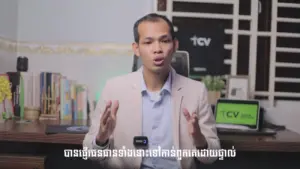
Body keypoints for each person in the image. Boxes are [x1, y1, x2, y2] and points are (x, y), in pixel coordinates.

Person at [83, 13, 221, 169]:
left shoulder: (196, 91)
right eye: (148, 42)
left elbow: (212, 156)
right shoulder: (114, 88)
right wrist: (102, 138)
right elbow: (90, 153)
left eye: (164, 41)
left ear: (175, 45)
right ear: (136, 49)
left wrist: (199, 139)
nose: (157, 49)